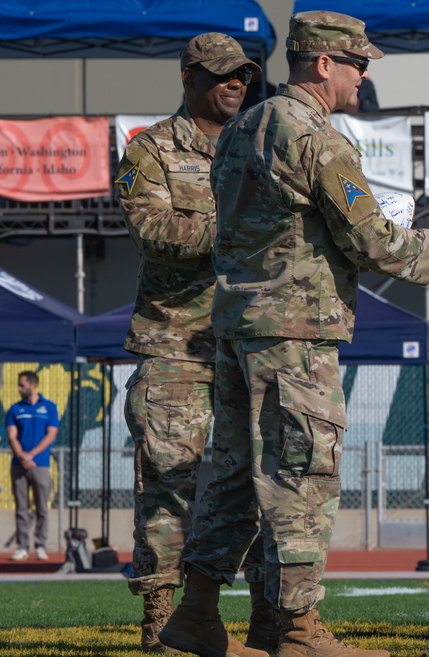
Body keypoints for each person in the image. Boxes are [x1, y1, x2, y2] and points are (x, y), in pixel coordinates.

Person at [159, 11, 429, 657]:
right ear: (323, 64)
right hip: (296, 335)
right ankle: (300, 632)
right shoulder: (316, 136)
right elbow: (367, 236)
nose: (364, 76)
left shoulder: (243, 127)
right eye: (358, 64)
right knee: (304, 477)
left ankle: (197, 614)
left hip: (238, 327)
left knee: (236, 476)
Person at [114, 32, 277, 655]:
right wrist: (238, 228)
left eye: (242, 75)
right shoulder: (150, 149)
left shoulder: (262, 142)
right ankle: (161, 620)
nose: (235, 84)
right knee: (168, 480)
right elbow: (152, 228)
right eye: (220, 75)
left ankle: (270, 616)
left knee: (264, 481)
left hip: (250, 343)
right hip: (175, 344)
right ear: (188, 79)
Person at [5, 371, 59, 563]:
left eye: (22, 385)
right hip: (18, 466)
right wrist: (21, 456)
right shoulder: (14, 409)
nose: (19, 389)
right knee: (21, 508)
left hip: (40, 465)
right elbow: (11, 436)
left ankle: (41, 546)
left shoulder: (49, 407)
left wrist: (31, 455)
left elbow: (51, 435)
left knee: (42, 509)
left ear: (32, 385)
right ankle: (22, 547)